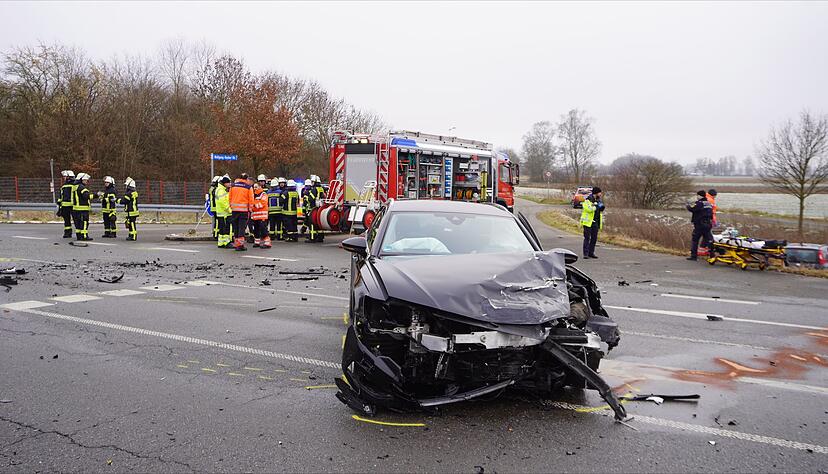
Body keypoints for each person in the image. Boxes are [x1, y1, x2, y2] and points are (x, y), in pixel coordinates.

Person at [686, 190, 714, 261]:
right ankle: (712, 256)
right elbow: (711, 214)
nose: (697, 197)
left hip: (699, 224)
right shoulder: (709, 203)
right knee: (709, 240)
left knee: (695, 240)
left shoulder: (699, 203)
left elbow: (692, 209)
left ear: (699, 196)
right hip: (708, 224)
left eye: (697, 195)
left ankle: (693, 256)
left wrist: (688, 205)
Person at [229, 173, 254, 251]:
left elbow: (229, 197)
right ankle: (240, 245)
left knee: (236, 227)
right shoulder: (248, 187)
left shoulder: (233, 186)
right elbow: (251, 199)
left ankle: (236, 243)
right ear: (246, 179)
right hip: (244, 211)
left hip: (234, 210)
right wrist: (250, 209)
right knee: (241, 228)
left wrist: (231, 206)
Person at [579, 186, 604, 259]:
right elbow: (589, 209)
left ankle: (591, 253)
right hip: (588, 222)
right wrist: (595, 206)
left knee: (594, 238)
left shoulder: (598, 200)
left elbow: (601, 208)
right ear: (596, 193)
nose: (600, 194)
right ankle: (585, 254)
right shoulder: (587, 200)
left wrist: (600, 206)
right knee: (587, 238)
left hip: (595, 222)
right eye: (600, 192)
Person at [71, 173, 95, 241]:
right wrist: (96, 195)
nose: (86, 181)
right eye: (85, 180)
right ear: (81, 180)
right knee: (84, 222)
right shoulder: (82, 187)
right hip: (82, 209)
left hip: (75, 209)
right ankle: (84, 236)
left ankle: (79, 236)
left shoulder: (75, 186)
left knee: (78, 223)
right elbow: (87, 196)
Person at [251, 182, 271, 248]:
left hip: (262, 216)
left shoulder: (263, 194)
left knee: (263, 229)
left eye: (256, 187)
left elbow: (262, 203)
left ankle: (267, 243)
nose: (255, 188)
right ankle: (257, 242)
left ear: (260, 187)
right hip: (255, 216)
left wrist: (254, 205)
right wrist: (254, 205)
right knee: (256, 230)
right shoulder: (253, 195)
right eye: (254, 187)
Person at [215, 176, 232, 248]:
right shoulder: (221, 190)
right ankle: (226, 242)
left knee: (222, 228)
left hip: (221, 212)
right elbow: (223, 202)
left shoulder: (220, 189)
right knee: (226, 228)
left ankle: (221, 242)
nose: (230, 184)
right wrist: (229, 209)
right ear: (225, 183)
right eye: (228, 183)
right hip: (224, 213)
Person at [58, 170, 76, 238]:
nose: (64, 178)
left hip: (72, 206)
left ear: (69, 177)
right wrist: (60, 207)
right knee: (67, 221)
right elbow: (61, 197)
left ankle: (71, 233)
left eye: (65, 176)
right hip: (67, 206)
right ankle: (68, 233)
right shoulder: (64, 186)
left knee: (73, 220)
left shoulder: (74, 185)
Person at [209, 176, 221, 240]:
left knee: (217, 222)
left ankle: (216, 233)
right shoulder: (215, 189)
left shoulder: (212, 188)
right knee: (217, 222)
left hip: (214, 207)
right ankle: (216, 234)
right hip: (216, 207)